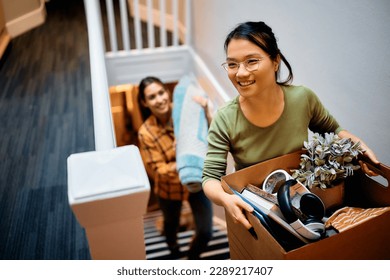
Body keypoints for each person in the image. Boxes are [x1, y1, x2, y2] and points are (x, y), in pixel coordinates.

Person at [201, 21, 380, 232]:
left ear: (275, 61)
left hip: (306, 204)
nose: (240, 73)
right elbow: (210, 178)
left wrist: (359, 146)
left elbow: (333, 130)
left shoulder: (303, 98)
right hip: (259, 216)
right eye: (232, 64)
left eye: (251, 61)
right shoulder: (225, 119)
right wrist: (224, 198)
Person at [137, 76, 213, 259]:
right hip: (168, 189)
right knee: (170, 225)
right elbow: (157, 170)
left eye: (161, 92)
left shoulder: (185, 111)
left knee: (205, 231)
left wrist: (207, 113)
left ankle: (192, 258)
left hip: (196, 180)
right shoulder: (145, 133)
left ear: (168, 92)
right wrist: (182, 156)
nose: (160, 99)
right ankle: (173, 248)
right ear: (144, 102)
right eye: (152, 97)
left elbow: (208, 135)